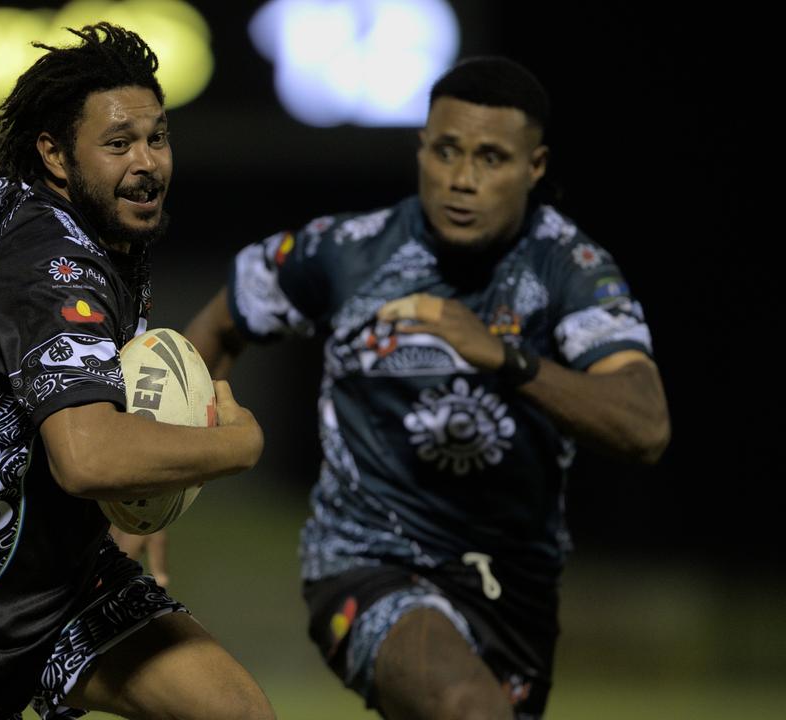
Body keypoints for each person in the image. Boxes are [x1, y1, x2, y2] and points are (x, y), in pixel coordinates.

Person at [184, 57, 670, 719]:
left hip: (515, 589)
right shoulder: (344, 252)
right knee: (469, 710)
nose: (461, 180)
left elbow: (645, 426)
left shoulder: (570, 270)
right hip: (364, 566)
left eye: (492, 158)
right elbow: (214, 329)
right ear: (422, 149)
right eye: (446, 151)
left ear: (535, 167)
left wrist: (504, 357)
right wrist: (156, 489)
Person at [0, 23, 274, 720]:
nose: (148, 163)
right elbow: (90, 460)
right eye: (119, 143)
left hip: (68, 589)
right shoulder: (53, 271)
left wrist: (2, 363)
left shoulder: (26, 205)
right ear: (56, 156)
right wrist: (239, 444)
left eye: (157, 138)